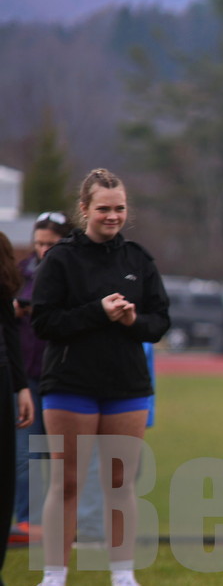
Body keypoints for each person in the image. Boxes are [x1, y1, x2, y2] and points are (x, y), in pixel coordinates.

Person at [31, 169, 170, 586]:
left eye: (119, 208)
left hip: (126, 386)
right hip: (70, 384)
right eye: (104, 208)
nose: (113, 216)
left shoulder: (138, 259)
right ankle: (54, 574)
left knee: (120, 483)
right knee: (67, 481)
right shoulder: (61, 259)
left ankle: (123, 574)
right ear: (85, 209)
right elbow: (44, 322)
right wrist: (98, 312)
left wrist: (132, 321)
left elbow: (159, 322)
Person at [12, 211, 72, 543]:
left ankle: (66, 524)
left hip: (63, 379)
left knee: (64, 457)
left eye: (51, 243)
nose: (43, 249)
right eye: (39, 243)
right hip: (26, 380)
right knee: (26, 455)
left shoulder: (74, 274)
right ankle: (29, 523)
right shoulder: (19, 274)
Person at [0, 231, 35, 574]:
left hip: (3, 378)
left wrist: (21, 387)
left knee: (5, 474)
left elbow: (9, 327)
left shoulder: (1, 246)